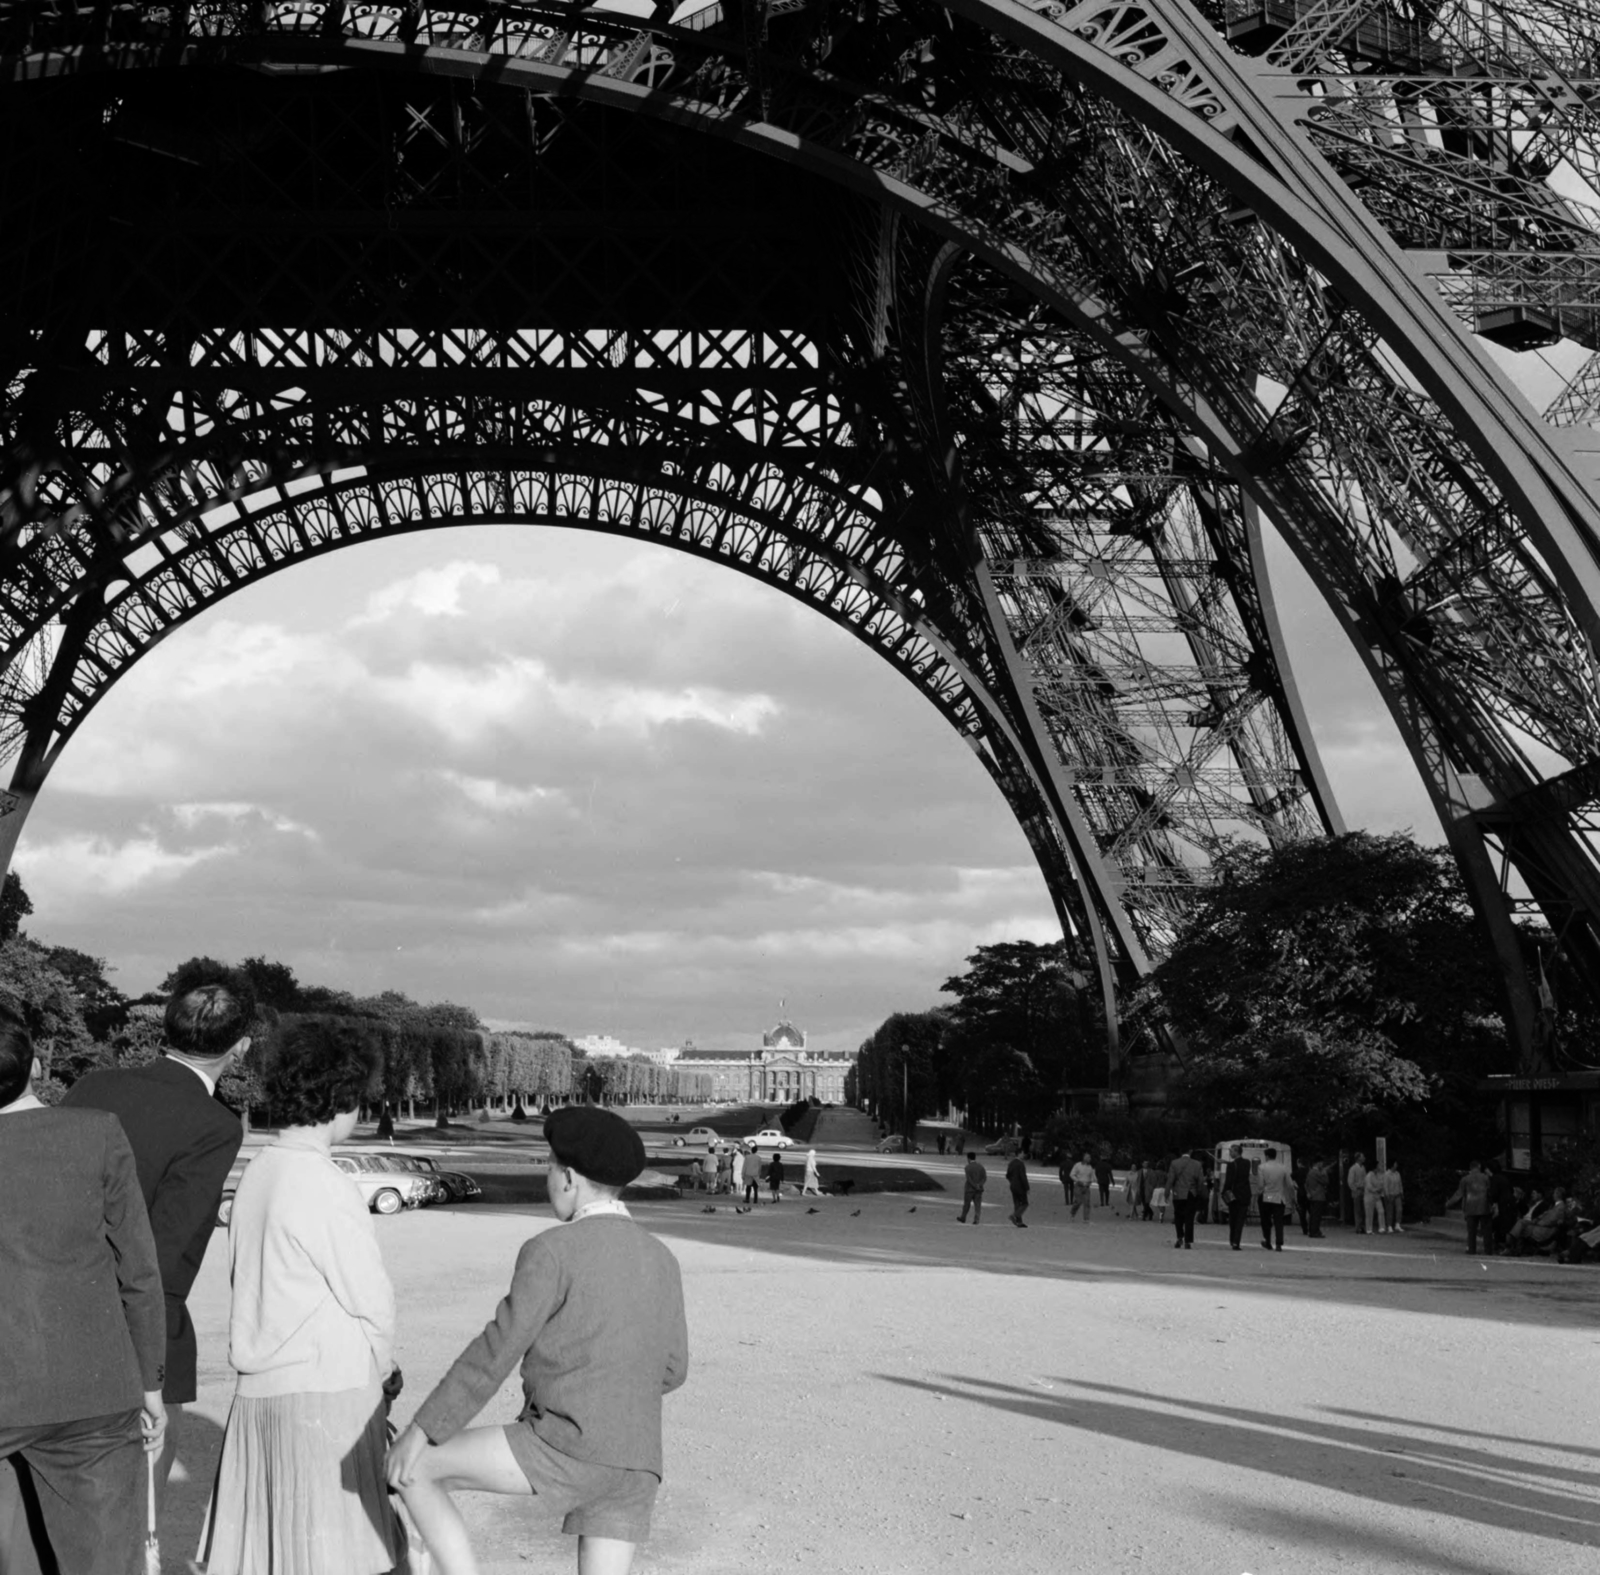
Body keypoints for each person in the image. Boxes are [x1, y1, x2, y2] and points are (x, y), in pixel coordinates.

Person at [388, 1105, 687, 1575]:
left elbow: (495, 1353)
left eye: (547, 1166)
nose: (549, 1178)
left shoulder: (551, 1250)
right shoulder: (661, 1257)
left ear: (568, 1177)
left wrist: (422, 1430)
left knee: (415, 1468)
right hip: (638, 1459)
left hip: (565, 1444)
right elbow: (673, 1368)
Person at [196, 1017, 404, 1575]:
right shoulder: (324, 1181)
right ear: (342, 1099)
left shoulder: (261, 1171)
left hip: (262, 1392)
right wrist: (384, 1371)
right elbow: (371, 1300)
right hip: (326, 1390)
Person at [62, 964, 253, 1501]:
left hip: (45, 1304)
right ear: (239, 1047)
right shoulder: (214, 1124)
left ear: (165, 1028)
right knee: (132, 1510)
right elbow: (169, 1252)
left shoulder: (94, 1084)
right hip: (131, 1328)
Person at [0, 1005, 169, 1575]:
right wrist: (150, 1383)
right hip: (93, 1388)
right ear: (39, 1066)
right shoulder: (97, 1133)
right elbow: (138, 1271)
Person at [1446, 1160, 1493, 1254]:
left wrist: (1448, 1203)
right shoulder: (1486, 1178)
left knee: (1471, 1231)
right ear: (1479, 1166)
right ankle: (1488, 1250)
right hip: (1484, 1207)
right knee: (1486, 1230)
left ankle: (1471, 1249)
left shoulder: (1465, 1179)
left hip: (1470, 1207)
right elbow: (1490, 1191)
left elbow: (1459, 1194)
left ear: (1470, 1168)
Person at [1257, 1147, 1294, 1252]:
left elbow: (1260, 1184)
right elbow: (1290, 1184)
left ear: (1267, 1156)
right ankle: (1279, 1243)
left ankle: (1267, 1241)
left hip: (1267, 1196)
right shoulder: (1283, 1168)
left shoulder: (1262, 1167)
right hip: (1279, 1197)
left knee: (1266, 1220)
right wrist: (1291, 1196)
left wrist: (1260, 1192)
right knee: (1279, 1222)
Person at [1167, 1150, 1205, 1248]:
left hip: (1178, 1193)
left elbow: (1170, 1179)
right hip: (1191, 1193)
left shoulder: (1174, 1163)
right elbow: (1200, 1181)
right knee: (1189, 1217)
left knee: (1178, 1216)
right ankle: (1188, 1241)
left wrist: (1166, 1192)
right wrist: (1199, 1192)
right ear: (1190, 1152)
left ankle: (1180, 1237)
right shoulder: (1197, 1164)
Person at [1221, 1144, 1252, 1250]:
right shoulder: (1247, 1163)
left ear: (1237, 1152)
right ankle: (1236, 1242)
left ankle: (1232, 1239)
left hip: (1233, 1195)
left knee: (1233, 1219)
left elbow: (1228, 1182)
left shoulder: (1231, 1166)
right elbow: (1238, 1165)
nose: (1230, 1153)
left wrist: (1224, 1192)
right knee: (1240, 1220)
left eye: (1231, 1151)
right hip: (1244, 1195)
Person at [957, 1151, 987, 1223]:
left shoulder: (967, 1167)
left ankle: (963, 1217)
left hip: (969, 1189)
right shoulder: (981, 1167)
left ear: (968, 1158)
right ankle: (976, 1219)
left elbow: (969, 1179)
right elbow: (984, 1177)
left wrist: (974, 1185)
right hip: (979, 1189)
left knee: (966, 1204)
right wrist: (979, 1185)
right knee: (977, 1205)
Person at [1304, 1158, 1330, 1238]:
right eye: (1321, 1163)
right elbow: (1326, 1181)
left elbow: (1306, 1184)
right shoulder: (1317, 1173)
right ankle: (1315, 1231)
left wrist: (1308, 1192)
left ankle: (1312, 1230)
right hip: (1319, 1195)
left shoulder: (1310, 1172)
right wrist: (1325, 1173)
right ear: (1318, 1163)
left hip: (1312, 1195)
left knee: (1313, 1214)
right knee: (1317, 1216)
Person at [1069, 1152, 1097, 1221]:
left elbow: (1093, 1177)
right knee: (1078, 1201)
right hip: (1079, 1185)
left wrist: (1091, 1181)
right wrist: (1078, 1180)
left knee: (1087, 1202)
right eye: (1088, 1157)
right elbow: (1072, 1174)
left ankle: (1086, 1218)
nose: (1089, 1159)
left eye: (1090, 1157)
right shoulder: (1077, 1165)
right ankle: (1073, 1213)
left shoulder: (1090, 1167)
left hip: (1086, 1186)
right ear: (1084, 1158)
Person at [1006, 1152, 1030, 1228]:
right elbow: (1023, 1176)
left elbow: (1007, 1175)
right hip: (1020, 1186)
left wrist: (1012, 1181)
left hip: (1013, 1185)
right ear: (1019, 1154)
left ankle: (1019, 1221)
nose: (1024, 1154)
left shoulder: (1011, 1163)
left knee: (1017, 1203)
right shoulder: (1020, 1164)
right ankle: (1015, 1215)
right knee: (1024, 1203)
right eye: (1023, 1153)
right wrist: (1027, 1187)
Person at [1363, 1161, 1387, 1235]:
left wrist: (1380, 1189)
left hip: (1377, 1196)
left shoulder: (1378, 1175)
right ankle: (1369, 1229)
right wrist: (1377, 1189)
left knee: (1381, 1211)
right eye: (1378, 1165)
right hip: (1369, 1196)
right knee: (1369, 1213)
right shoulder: (1369, 1175)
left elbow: (1381, 1184)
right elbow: (1369, 1187)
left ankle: (1382, 1228)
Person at [1346, 1154, 1368, 1234]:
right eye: (1362, 1156)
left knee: (1363, 1210)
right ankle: (1358, 1227)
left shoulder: (1363, 1168)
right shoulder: (1353, 1168)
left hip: (1363, 1189)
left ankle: (1362, 1226)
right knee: (1357, 1210)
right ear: (1359, 1158)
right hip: (1357, 1189)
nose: (1364, 1158)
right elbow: (1350, 1181)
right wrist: (1355, 1189)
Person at [1383, 1161, 1405, 1233]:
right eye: (1395, 1164)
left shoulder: (1397, 1173)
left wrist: (1401, 1192)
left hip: (1397, 1194)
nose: (1396, 1165)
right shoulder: (1387, 1174)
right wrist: (1387, 1194)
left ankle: (1397, 1224)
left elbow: (1400, 1183)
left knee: (1399, 1209)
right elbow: (1385, 1185)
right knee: (1390, 1211)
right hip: (1390, 1194)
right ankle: (1389, 1225)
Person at [743, 1143, 761, 1208]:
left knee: (748, 1188)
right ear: (756, 1151)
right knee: (755, 1188)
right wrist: (759, 1173)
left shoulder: (747, 1157)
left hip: (748, 1173)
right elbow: (759, 1167)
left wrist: (743, 1174)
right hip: (755, 1174)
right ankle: (755, 1199)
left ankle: (747, 1199)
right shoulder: (758, 1158)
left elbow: (744, 1166)